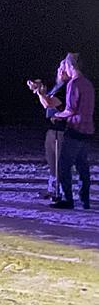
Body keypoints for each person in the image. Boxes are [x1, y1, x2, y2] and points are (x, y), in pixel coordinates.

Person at [50, 53, 94, 210]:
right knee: (83, 166)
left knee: (63, 165)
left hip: (76, 128)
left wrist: (57, 115)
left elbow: (70, 109)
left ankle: (68, 199)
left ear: (70, 66)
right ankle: (85, 199)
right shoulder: (87, 83)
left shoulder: (74, 84)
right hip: (87, 129)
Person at [27, 61, 67, 200]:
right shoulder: (57, 86)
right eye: (60, 68)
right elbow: (47, 102)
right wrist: (39, 90)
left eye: (64, 69)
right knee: (52, 161)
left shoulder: (66, 88)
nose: (60, 71)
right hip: (52, 129)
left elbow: (49, 103)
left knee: (59, 162)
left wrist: (40, 93)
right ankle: (53, 189)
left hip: (61, 130)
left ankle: (62, 192)